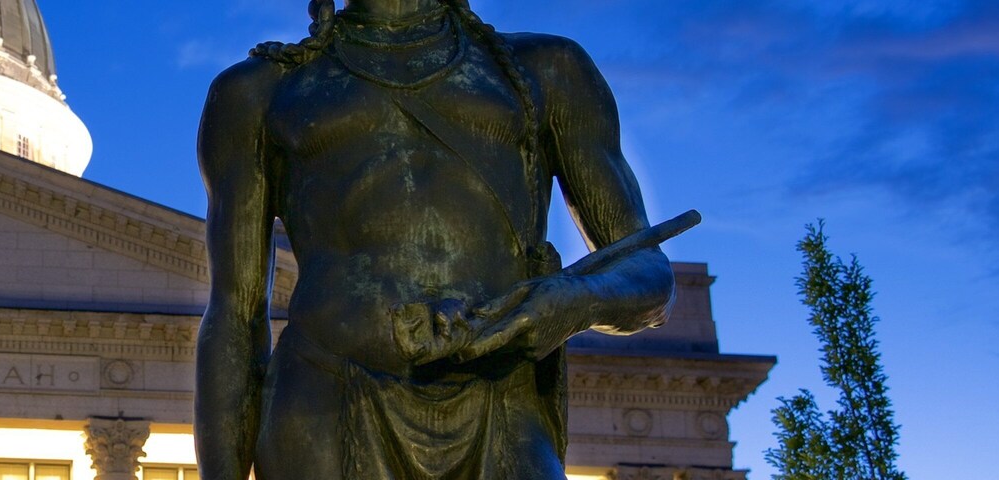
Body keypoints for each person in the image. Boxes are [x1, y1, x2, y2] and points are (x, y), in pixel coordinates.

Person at [193, 0, 677, 478]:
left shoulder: (549, 69)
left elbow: (648, 272)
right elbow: (235, 315)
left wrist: (577, 301)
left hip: (501, 400)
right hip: (325, 399)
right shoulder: (257, 92)